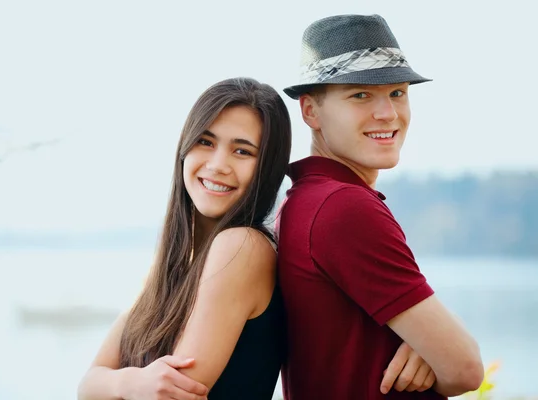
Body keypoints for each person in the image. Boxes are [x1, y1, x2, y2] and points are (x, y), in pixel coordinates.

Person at [276, 14, 485, 399]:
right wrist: (435, 349)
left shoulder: (306, 201)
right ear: (310, 112)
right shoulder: (343, 207)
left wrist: (425, 344)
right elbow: (466, 370)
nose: (388, 113)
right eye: (360, 95)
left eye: (398, 93)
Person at [77, 77, 291, 400]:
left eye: (242, 151)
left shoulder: (241, 247)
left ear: (267, 168)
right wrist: (132, 384)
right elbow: (88, 385)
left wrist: (120, 383)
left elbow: (173, 394)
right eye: (205, 142)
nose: (218, 165)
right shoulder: (172, 260)